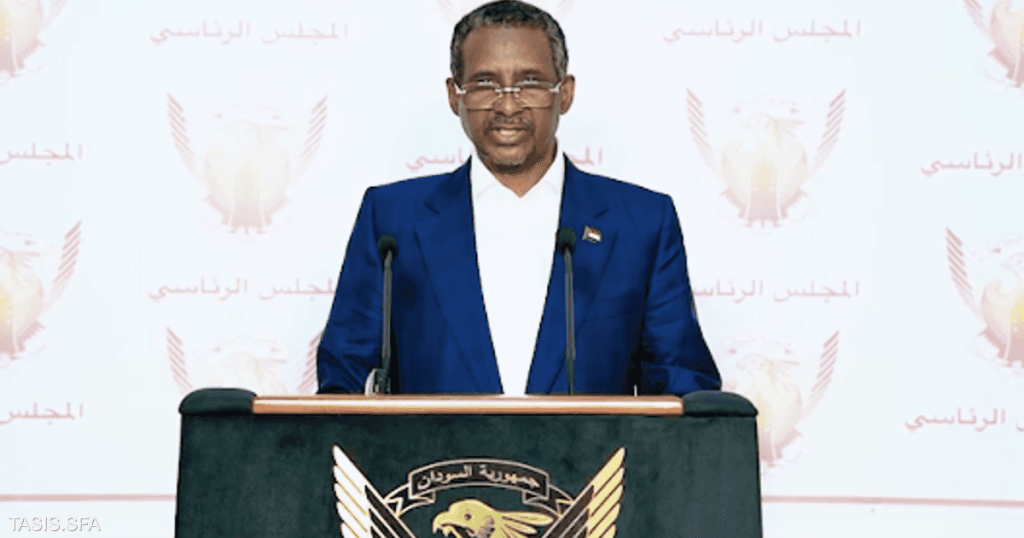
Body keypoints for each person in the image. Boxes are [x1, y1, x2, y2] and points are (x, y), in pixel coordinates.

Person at [317, 0, 720, 396]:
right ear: (455, 96)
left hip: (592, 446)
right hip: (432, 445)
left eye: (529, 82)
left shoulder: (641, 223)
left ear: (565, 93)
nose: (508, 105)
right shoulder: (392, 220)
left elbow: (680, 384)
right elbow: (343, 382)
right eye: (484, 83)